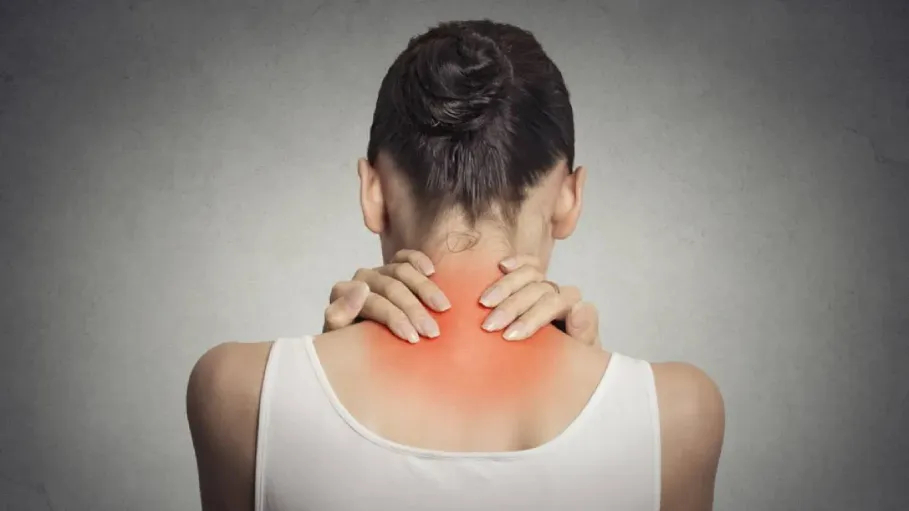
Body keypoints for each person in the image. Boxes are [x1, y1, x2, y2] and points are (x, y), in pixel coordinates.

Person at [186, 20, 725, 511]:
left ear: (373, 192)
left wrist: (303, 385)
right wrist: (612, 394)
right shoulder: (679, 414)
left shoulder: (237, 391)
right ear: (569, 197)